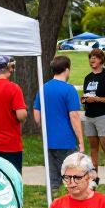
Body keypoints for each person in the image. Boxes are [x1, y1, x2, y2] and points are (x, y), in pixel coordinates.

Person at [33, 55, 83, 192]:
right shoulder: (69, 90)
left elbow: (37, 115)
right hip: (66, 140)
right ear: (67, 70)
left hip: (48, 140)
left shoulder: (43, 88)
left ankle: (52, 201)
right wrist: (81, 141)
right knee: (70, 176)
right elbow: (74, 116)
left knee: (53, 177)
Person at [0, 54, 27, 172]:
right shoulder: (14, 88)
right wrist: (25, 115)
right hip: (11, 144)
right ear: (8, 67)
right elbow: (21, 115)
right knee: (13, 179)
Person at [82, 48, 105, 186]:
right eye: (90, 57)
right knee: (93, 147)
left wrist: (97, 99)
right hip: (89, 115)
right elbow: (88, 95)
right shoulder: (88, 78)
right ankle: (94, 175)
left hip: (103, 115)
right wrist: (85, 100)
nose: (92, 60)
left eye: (95, 57)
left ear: (101, 60)